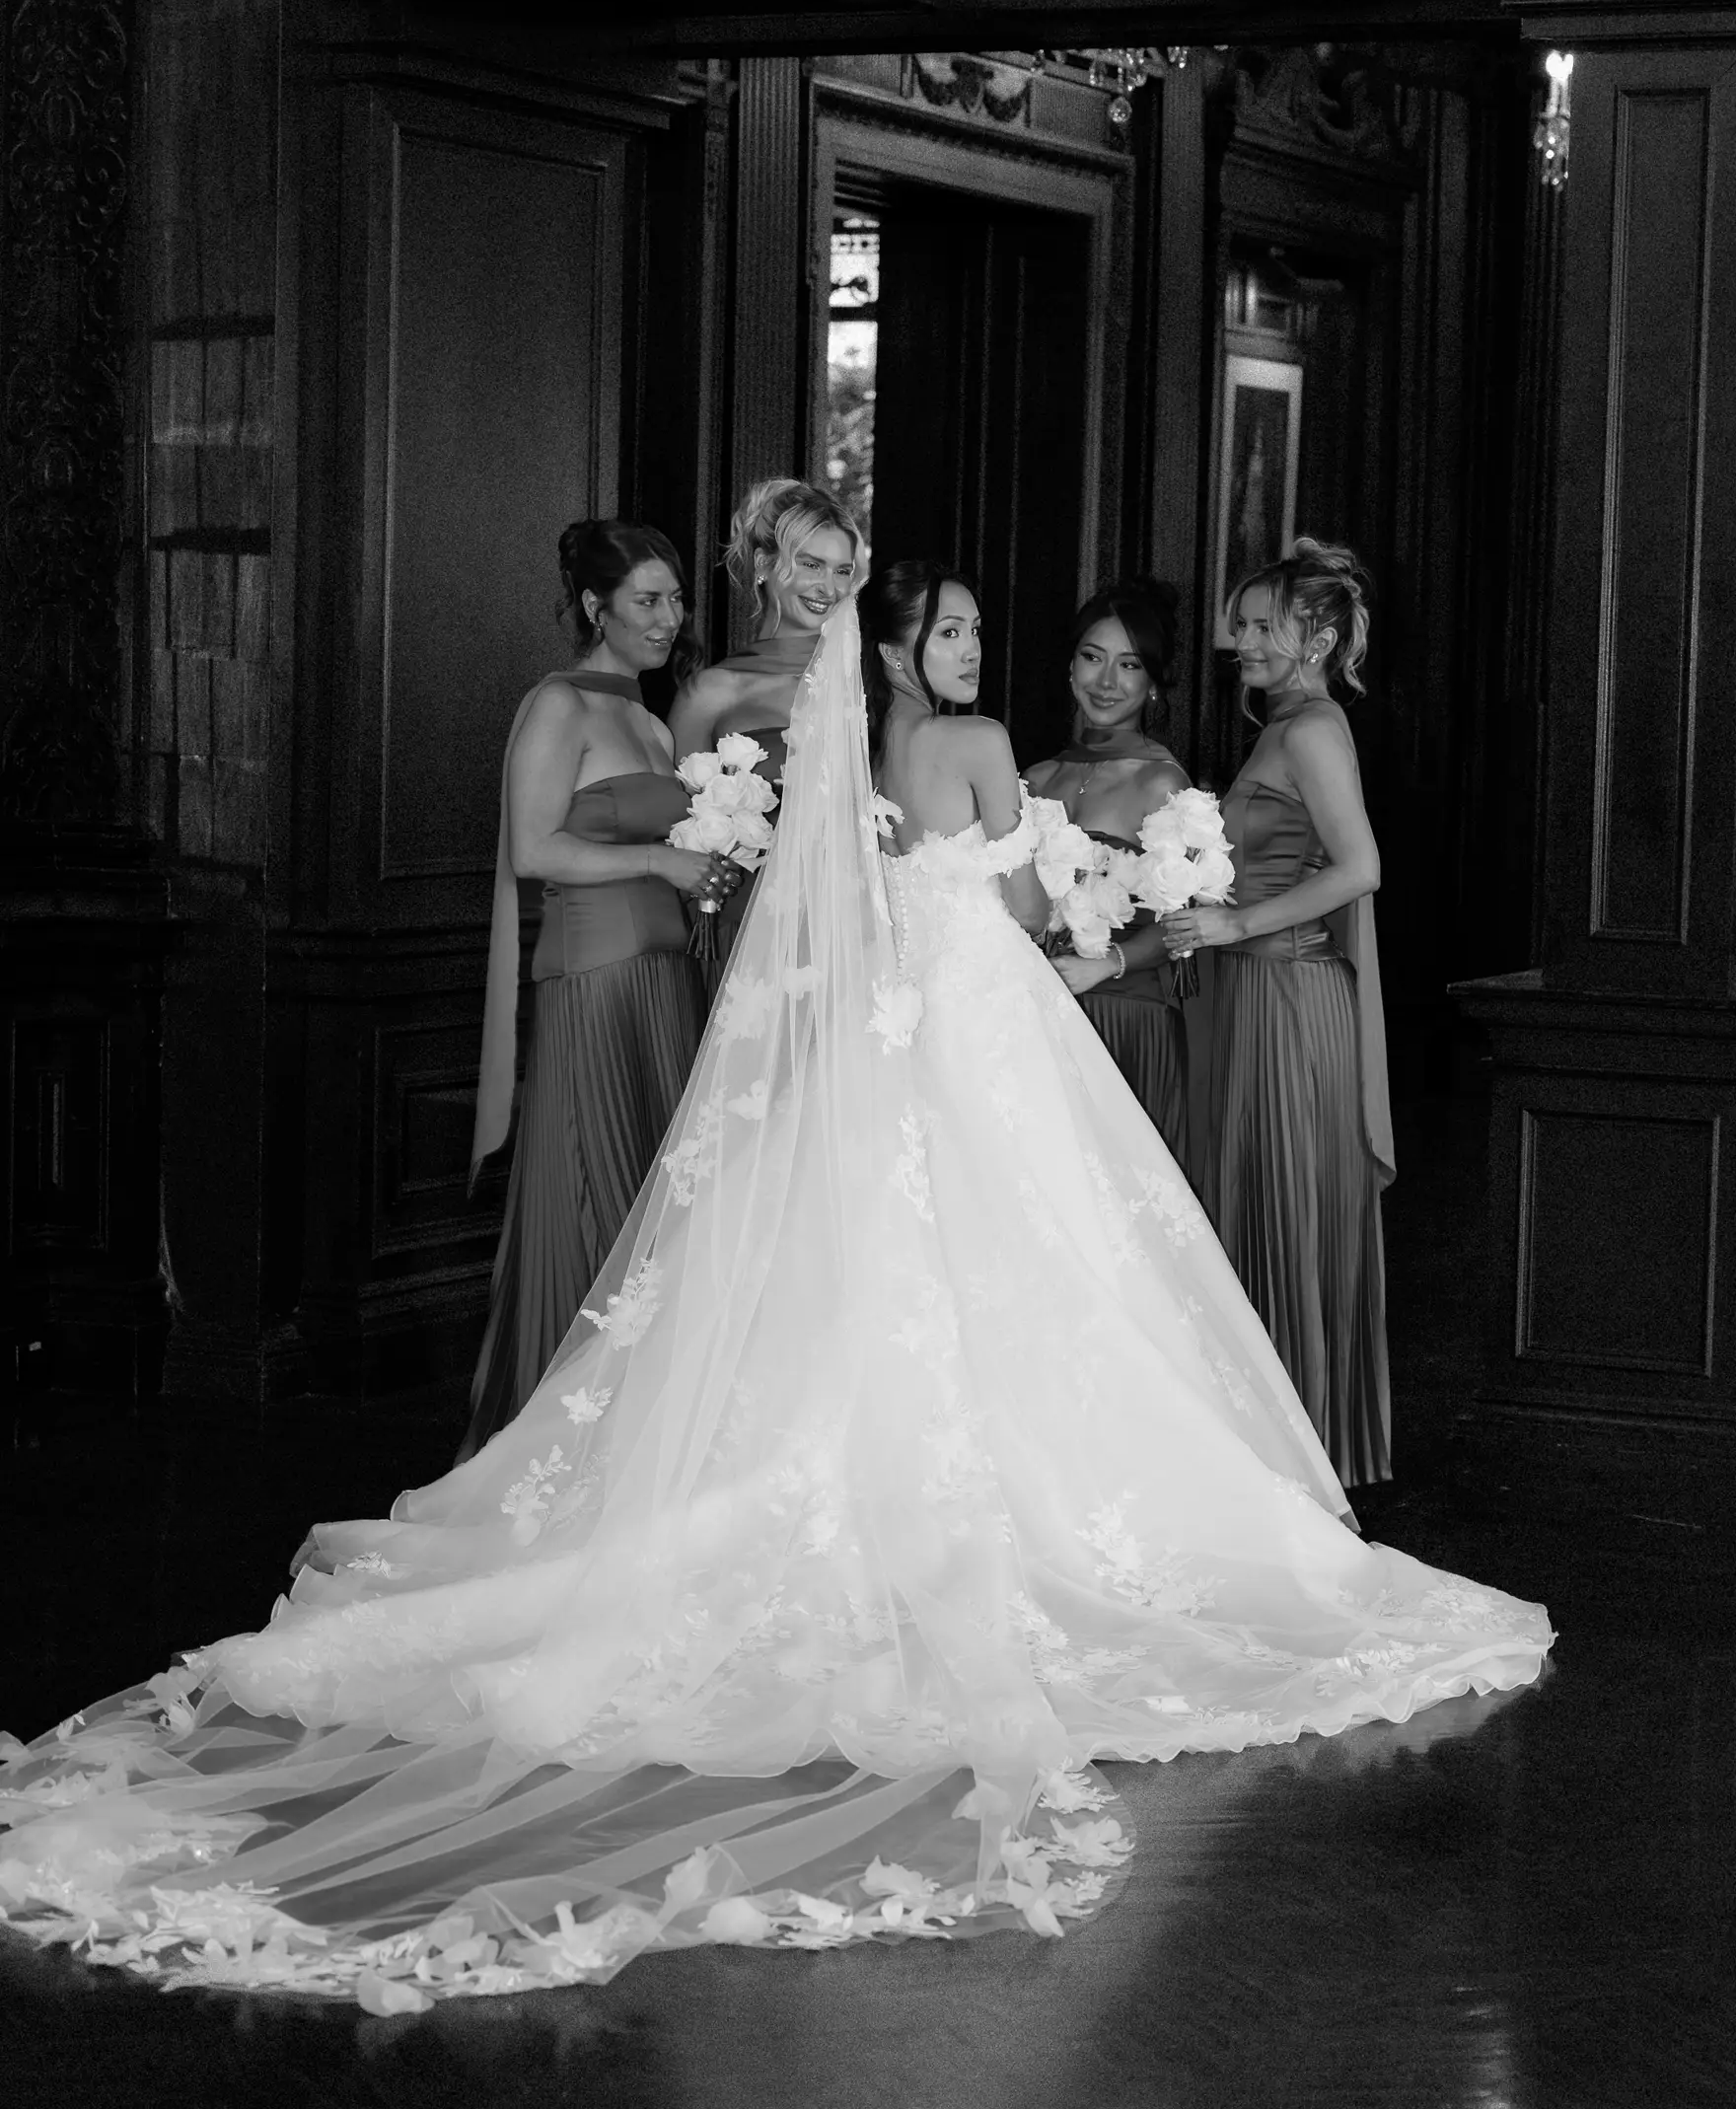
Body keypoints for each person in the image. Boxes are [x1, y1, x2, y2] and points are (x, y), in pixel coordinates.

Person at [0, 569, 1548, 2004]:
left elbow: (866, 906)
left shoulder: (860, 760)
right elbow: (1016, 909)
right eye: (952, 633)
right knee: (1046, 1270)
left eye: (973, 634)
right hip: (985, 1031)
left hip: (899, 1041)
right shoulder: (979, 747)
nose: (976, 653)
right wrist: (1066, 893)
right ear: (907, 651)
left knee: (890, 1275)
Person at [461, 520, 735, 1457]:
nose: (669, 618)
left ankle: (641, 1451)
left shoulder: (652, 724)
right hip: (595, 986)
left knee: (662, 1218)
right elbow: (534, 850)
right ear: (594, 606)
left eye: (676, 599)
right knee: (597, 1199)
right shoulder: (558, 706)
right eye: (647, 600)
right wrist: (662, 859)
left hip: (666, 983)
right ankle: (559, 1449)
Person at [1160, 541, 1394, 1489]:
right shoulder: (1288, 725)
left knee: (1286, 1212)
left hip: (1289, 998)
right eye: (1241, 625)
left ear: (1320, 640)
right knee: (1257, 1206)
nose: (1241, 642)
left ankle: (1299, 1460)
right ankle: (1276, 1453)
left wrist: (1233, 923)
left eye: (1262, 627)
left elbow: (1361, 868)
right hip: (1256, 995)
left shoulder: (1311, 732)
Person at [1025, 580, 1193, 1165]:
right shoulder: (1035, 778)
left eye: (1130, 665)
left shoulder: (1162, 782)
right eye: (1093, 658)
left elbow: (1186, 926)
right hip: (1037, 1013)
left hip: (1124, 1013)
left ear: (1152, 683)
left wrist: (1106, 964)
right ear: (1070, 667)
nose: (1106, 681)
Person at [668, 476, 862, 974]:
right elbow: (677, 832)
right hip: (741, 926)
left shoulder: (867, 686)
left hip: (849, 929)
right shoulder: (712, 692)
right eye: (811, 564)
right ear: (763, 564)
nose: (830, 588)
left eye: (842, 570)